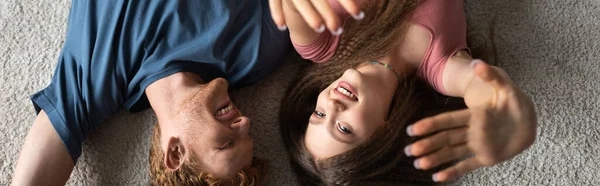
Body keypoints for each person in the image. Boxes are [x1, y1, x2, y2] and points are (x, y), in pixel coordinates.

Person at [12, 0, 291, 185]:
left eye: (227, 144)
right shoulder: (255, 55)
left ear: (175, 152)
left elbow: (50, 141)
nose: (245, 123)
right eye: (246, 135)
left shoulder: (98, 78)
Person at [272, 0, 537, 185]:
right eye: (344, 129)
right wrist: (507, 110)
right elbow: (482, 85)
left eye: (319, 114)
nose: (333, 106)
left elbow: (292, 7)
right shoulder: (439, 66)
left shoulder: (319, 45)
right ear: (383, 137)